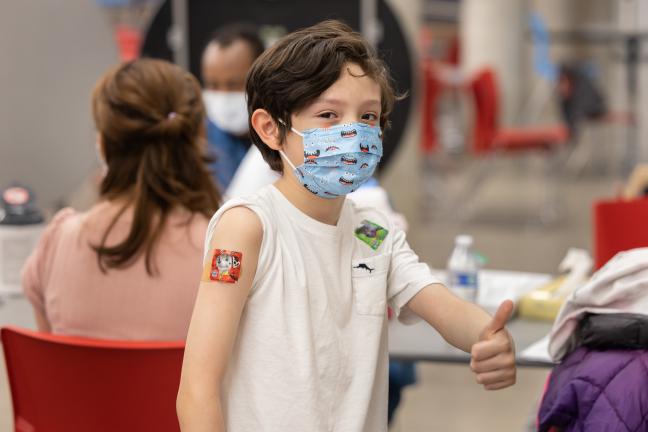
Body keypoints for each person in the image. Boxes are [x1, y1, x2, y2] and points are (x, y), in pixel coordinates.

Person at [177, 21, 516, 431]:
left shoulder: (372, 231)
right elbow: (198, 387)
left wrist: (488, 336)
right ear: (271, 129)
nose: (352, 132)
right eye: (328, 115)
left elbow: (439, 304)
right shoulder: (248, 228)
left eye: (368, 115)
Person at [21, 58, 221, 340]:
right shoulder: (222, 250)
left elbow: (50, 366)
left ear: (102, 143)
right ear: (198, 135)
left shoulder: (57, 241)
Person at [201, 23, 265, 191]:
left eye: (234, 85)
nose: (223, 95)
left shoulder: (284, 141)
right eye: (213, 85)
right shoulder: (197, 143)